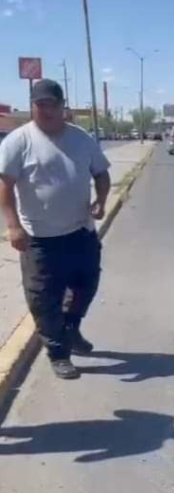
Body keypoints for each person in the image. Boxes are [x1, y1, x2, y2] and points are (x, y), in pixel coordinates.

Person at [0, 79, 111, 380]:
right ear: (33, 106)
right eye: (41, 104)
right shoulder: (18, 141)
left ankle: (71, 327)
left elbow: (101, 173)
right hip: (39, 238)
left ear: (64, 107)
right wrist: (13, 226)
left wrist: (101, 201)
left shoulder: (82, 138)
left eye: (52, 104)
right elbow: (5, 186)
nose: (47, 110)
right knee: (43, 298)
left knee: (85, 285)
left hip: (80, 232)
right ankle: (58, 353)